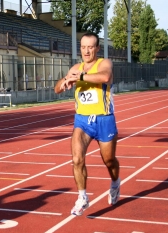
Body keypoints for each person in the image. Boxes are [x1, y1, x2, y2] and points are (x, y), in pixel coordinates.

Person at [54, 32, 120, 216]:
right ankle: (82, 197)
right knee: (76, 159)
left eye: (90, 47)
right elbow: (57, 88)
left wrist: (80, 77)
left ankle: (115, 182)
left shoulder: (104, 64)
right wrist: (66, 81)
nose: (86, 51)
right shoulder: (76, 67)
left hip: (104, 119)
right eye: (83, 47)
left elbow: (105, 77)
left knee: (109, 160)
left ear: (97, 48)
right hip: (82, 120)